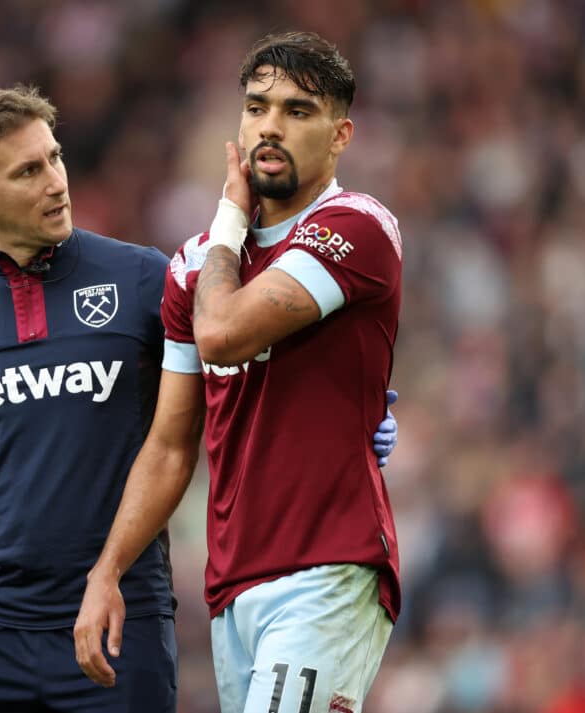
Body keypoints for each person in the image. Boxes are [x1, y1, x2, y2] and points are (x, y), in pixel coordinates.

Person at [0, 85, 398, 712]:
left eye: (54, 157)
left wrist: (352, 417)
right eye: (28, 172)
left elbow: (245, 375)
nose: (55, 182)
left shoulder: (141, 280)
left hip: (118, 616)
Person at [75, 31, 402, 713]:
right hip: (232, 585)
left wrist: (228, 219)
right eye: (257, 108)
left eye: (297, 111)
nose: (271, 126)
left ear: (340, 135)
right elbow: (170, 445)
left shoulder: (356, 226)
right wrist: (107, 570)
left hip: (327, 567)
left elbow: (222, 333)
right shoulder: (193, 264)